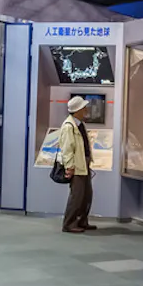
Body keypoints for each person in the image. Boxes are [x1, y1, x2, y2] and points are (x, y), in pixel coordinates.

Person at [59, 95, 96, 233]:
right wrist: (70, 167)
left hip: (84, 165)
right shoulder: (69, 126)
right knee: (77, 195)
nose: (86, 109)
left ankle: (82, 221)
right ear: (78, 110)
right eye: (83, 107)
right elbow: (67, 149)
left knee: (86, 195)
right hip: (77, 167)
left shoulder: (79, 125)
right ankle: (69, 224)